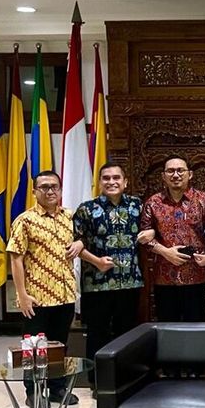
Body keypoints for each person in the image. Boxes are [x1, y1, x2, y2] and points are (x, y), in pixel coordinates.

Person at [6, 170, 83, 408]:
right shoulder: (24, 220)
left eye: (55, 187)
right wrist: (22, 295)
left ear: (60, 190)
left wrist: (81, 242)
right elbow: (16, 258)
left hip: (65, 294)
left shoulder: (69, 216)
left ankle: (58, 388)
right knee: (33, 347)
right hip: (36, 297)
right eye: (44, 187)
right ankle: (34, 391)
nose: (50, 191)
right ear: (34, 191)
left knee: (60, 345)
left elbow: (82, 240)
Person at [74, 163, 153, 391]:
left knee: (126, 332)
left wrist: (152, 232)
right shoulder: (86, 209)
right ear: (99, 183)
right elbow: (76, 243)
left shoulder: (138, 206)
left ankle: (125, 379)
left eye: (116, 177)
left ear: (125, 181)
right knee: (97, 333)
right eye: (106, 178)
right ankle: (98, 382)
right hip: (97, 283)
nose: (111, 182)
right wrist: (96, 262)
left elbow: (151, 230)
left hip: (129, 281)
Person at [140, 155, 205, 323]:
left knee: (196, 328)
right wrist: (165, 252)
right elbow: (143, 236)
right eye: (170, 171)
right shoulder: (153, 203)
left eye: (180, 170)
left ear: (190, 174)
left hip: (196, 277)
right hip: (164, 278)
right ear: (163, 176)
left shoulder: (204, 200)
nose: (175, 175)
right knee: (166, 328)